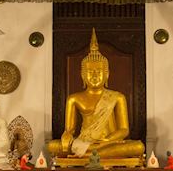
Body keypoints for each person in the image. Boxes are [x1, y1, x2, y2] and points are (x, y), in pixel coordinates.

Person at [48, 29, 144, 159]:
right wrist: (66, 137)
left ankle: (86, 155)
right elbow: (69, 130)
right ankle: (91, 153)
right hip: (84, 141)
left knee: (138, 147)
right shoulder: (74, 99)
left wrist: (107, 139)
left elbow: (124, 130)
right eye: (90, 71)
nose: (94, 75)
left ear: (107, 74)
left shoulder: (117, 97)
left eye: (98, 71)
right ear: (82, 74)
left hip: (109, 143)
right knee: (53, 146)